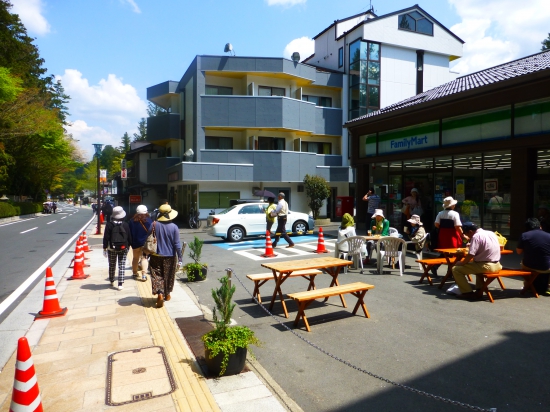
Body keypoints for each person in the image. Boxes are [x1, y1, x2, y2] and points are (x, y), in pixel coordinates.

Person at [451, 222, 502, 300]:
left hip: (487, 266)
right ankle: (479, 289)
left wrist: (462, 263)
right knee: (476, 263)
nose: (467, 237)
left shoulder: (476, 236)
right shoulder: (491, 233)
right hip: (497, 265)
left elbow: (471, 254)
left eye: (467, 234)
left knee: (456, 269)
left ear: (470, 231)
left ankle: (467, 292)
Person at [149, 204, 182, 308]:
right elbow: (177, 244)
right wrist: (180, 257)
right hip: (170, 256)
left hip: (155, 255)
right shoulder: (174, 227)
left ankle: (160, 293)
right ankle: (167, 295)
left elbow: (148, 239)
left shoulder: (153, 224)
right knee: (168, 276)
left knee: (157, 275)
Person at [516, 218, 550, 296]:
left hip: (529, 265)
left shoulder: (524, 235)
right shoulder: (549, 236)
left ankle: (528, 286)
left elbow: (518, 251)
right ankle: (548, 286)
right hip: (546, 267)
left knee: (522, 262)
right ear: (540, 226)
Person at [432, 196, 464, 277]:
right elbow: (457, 226)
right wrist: (463, 235)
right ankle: (449, 272)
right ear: (452, 205)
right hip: (452, 235)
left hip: (443, 234)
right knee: (454, 253)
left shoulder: (440, 213)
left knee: (445, 252)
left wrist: (443, 228)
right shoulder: (455, 214)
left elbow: (436, 224)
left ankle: (437, 267)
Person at [103, 206, 132, 290]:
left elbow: (106, 237)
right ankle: (120, 283)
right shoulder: (126, 224)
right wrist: (128, 245)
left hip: (112, 247)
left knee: (112, 264)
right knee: (121, 265)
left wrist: (105, 248)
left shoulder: (109, 224)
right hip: (123, 247)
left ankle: (112, 280)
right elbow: (129, 236)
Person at [128, 204, 153, 282]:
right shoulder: (149, 220)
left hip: (135, 242)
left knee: (135, 258)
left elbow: (130, 232)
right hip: (145, 243)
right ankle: (144, 275)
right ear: (146, 211)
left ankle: (135, 273)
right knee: (144, 258)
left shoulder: (132, 221)